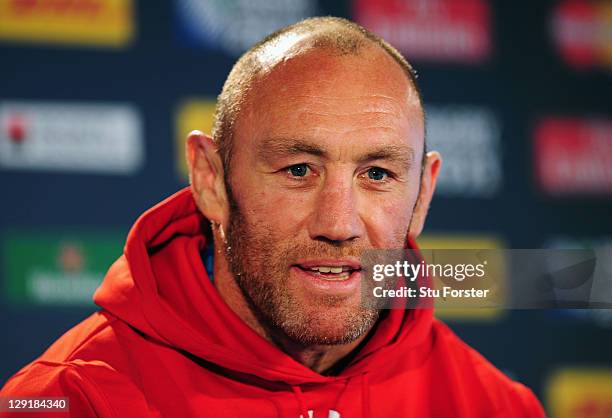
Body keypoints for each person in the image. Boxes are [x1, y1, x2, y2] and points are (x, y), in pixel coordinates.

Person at [0, 17, 545, 418]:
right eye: (299, 169)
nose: (339, 223)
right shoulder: (72, 400)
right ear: (211, 181)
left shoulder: (495, 406)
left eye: (377, 174)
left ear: (422, 195)